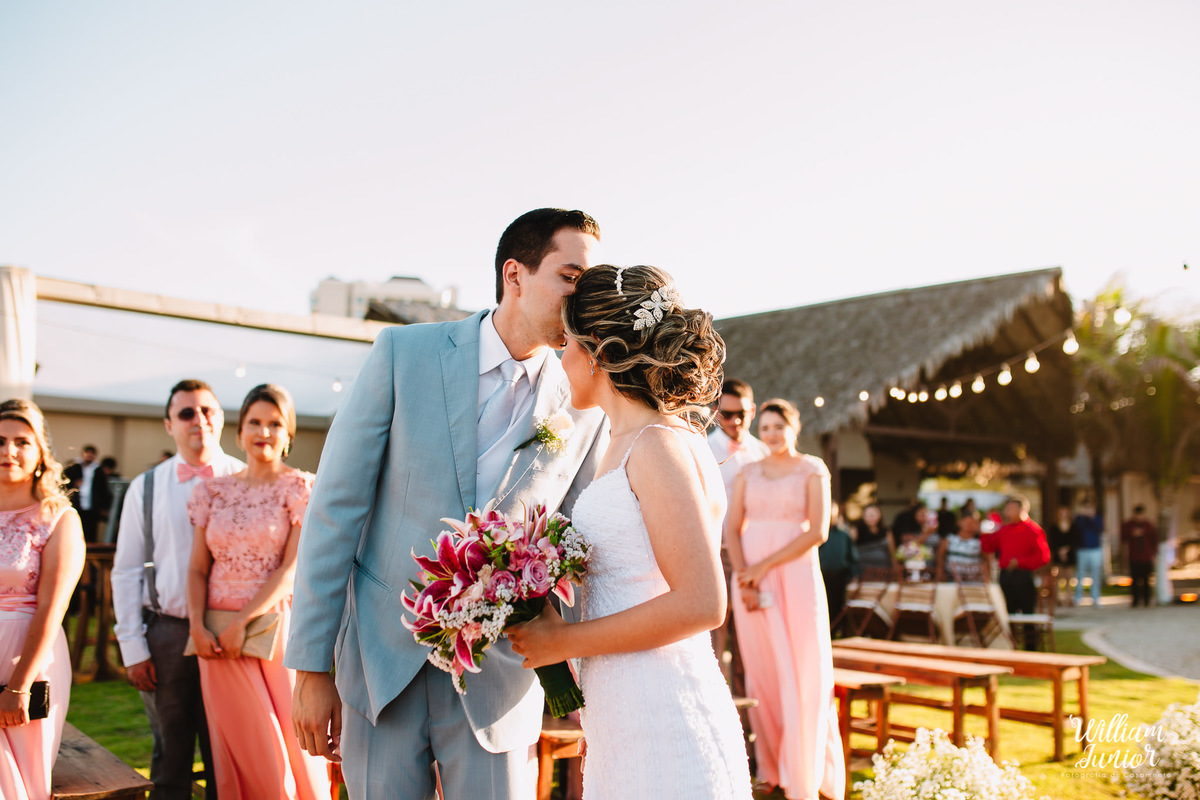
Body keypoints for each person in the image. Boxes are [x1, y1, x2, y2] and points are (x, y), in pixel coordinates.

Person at [286, 209, 608, 800]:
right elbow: (335, 510)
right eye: (571, 276)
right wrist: (311, 667)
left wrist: (580, 672)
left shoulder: (587, 403)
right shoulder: (401, 353)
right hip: (381, 666)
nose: (583, 295)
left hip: (502, 678)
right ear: (515, 274)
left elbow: (576, 544)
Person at [508, 264, 751, 798]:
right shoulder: (626, 442)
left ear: (597, 351)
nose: (561, 357)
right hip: (625, 713)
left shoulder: (657, 446)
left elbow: (702, 603)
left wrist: (561, 642)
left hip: (664, 712)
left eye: (568, 343)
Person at [186, 385, 330, 798]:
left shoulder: (300, 488)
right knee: (234, 744)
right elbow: (197, 568)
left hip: (272, 630)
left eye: (274, 424)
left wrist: (242, 624)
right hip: (213, 635)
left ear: (288, 436)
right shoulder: (210, 491)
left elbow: (292, 568)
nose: (263, 431)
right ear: (238, 432)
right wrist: (196, 625)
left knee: (279, 745)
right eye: (255, 422)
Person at [112, 379, 244, 799]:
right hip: (167, 632)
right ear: (169, 425)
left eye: (208, 411)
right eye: (186, 413)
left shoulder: (248, 480)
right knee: (170, 759)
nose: (199, 421)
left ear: (222, 419)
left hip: (232, 634)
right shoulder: (144, 487)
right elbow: (126, 570)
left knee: (230, 753)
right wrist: (133, 648)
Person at [725, 398, 844, 800]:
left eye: (780, 427)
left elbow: (818, 532)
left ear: (794, 428)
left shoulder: (813, 469)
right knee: (764, 671)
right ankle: (772, 766)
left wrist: (765, 566)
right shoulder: (748, 471)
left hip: (796, 578)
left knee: (804, 670)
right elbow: (732, 529)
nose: (772, 434)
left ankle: (807, 770)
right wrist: (746, 576)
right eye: (768, 427)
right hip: (751, 585)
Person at [0, 399, 86, 799]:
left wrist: (19, 685)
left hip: (27, 661)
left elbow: (53, 607)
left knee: (17, 781)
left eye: (22, 441)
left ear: (40, 454)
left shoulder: (58, 518)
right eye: (0, 441)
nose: (9, 451)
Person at [706, 377, 769, 697]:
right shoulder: (704, 449)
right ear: (716, 413)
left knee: (751, 641)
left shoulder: (763, 451)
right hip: (717, 553)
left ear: (753, 410)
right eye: (728, 414)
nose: (735, 421)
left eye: (742, 413)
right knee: (716, 638)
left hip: (757, 556)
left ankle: (750, 724)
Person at [981, 495, 1050, 650]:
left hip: (1023, 576)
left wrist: (1020, 562)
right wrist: (985, 532)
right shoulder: (1004, 530)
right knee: (1007, 612)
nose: (1007, 512)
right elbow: (988, 547)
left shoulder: (1033, 530)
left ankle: (1030, 649)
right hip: (1005, 576)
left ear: (1021, 509)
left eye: (1010, 508)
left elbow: (1043, 556)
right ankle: (1009, 646)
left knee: (1027, 614)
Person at [818, 502, 858, 634]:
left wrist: (854, 575)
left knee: (838, 606)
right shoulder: (815, 535)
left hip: (839, 577)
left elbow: (852, 557)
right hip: (820, 576)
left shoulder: (844, 536)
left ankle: (836, 632)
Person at [64, 444, 111, 542]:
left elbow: (103, 489)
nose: (89, 456)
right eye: (87, 454)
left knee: (91, 532)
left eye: (91, 454)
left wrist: (104, 507)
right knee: (75, 530)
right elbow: (64, 482)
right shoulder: (75, 467)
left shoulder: (98, 470)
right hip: (77, 504)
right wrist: (74, 484)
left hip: (92, 506)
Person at [1120, 505, 1158, 608]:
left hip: (1146, 557)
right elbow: (1123, 538)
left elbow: (1154, 540)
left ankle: (1147, 600)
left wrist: (1154, 553)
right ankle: (1135, 601)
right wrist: (1132, 534)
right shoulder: (1129, 525)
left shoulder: (1148, 525)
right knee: (1135, 580)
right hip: (1134, 557)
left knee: (1146, 580)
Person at [936, 512, 988, 582]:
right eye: (967, 522)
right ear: (960, 522)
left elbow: (986, 560)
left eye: (973, 522)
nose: (969, 525)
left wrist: (987, 578)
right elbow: (940, 557)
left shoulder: (980, 542)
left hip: (974, 582)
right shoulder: (949, 539)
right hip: (951, 580)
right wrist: (941, 573)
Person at [1046, 506, 1080, 606]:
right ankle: (1058, 599)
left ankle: (1069, 599)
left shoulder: (1073, 526)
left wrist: (1066, 550)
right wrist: (1060, 551)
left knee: (1069, 578)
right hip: (1057, 555)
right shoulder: (1054, 527)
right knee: (1058, 578)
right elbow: (1052, 541)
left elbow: (1075, 540)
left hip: (1070, 555)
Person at [1074, 499, 1105, 607]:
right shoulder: (1079, 519)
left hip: (1095, 550)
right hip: (1082, 550)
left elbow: (1100, 529)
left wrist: (1091, 518)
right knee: (1080, 575)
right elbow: (1078, 529)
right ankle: (1078, 598)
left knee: (1095, 575)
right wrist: (1083, 517)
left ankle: (1096, 598)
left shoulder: (1097, 518)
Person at [852, 503, 895, 571]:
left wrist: (895, 569)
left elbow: (892, 553)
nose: (871, 517)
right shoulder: (856, 530)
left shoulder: (886, 531)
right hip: (863, 571)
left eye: (873, 514)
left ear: (880, 515)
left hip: (884, 570)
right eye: (868, 515)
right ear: (863, 516)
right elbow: (850, 550)